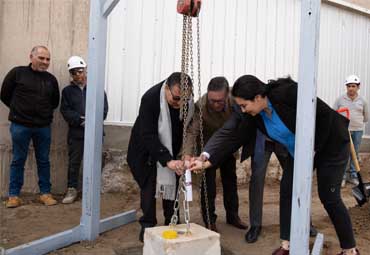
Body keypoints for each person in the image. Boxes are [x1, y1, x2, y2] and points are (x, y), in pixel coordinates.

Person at [190, 75, 360, 255]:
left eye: (243, 105)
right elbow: (231, 133)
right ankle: (287, 245)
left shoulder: (287, 93)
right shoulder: (254, 114)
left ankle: (350, 249)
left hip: (329, 145)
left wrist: (313, 150)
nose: (242, 110)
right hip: (300, 151)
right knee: (286, 191)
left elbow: (324, 115)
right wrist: (206, 158)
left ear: (257, 98)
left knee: (329, 197)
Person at [127, 72, 193, 242]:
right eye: (176, 98)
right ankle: (147, 225)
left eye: (184, 100)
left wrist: (182, 154)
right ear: (166, 89)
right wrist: (166, 160)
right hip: (146, 148)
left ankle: (172, 221)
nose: (179, 104)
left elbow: (188, 129)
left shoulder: (187, 102)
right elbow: (148, 134)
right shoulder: (150, 98)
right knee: (149, 189)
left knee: (173, 185)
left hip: (173, 147)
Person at [183, 77, 247, 232]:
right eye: (212, 101)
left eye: (220, 101)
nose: (216, 104)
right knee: (208, 187)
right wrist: (187, 155)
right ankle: (210, 221)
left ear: (227, 96)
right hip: (206, 150)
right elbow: (192, 132)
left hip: (228, 148)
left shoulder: (236, 100)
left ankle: (233, 216)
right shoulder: (201, 105)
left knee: (230, 182)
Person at [0, 46, 60, 208]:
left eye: (47, 59)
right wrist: (18, 111)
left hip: (43, 127)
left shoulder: (51, 80)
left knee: (43, 160)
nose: (45, 62)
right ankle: (13, 196)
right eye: (41, 58)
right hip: (20, 126)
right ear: (31, 57)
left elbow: (55, 102)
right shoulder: (17, 73)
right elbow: (4, 94)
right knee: (18, 159)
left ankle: (45, 194)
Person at [248, 130, 317, 243]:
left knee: (297, 178)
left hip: (284, 140)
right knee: (256, 179)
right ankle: (255, 225)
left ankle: (305, 222)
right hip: (262, 140)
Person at [60, 56, 109, 204]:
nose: (77, 75)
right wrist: (80, 120)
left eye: (80, 71)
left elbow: (104, 109)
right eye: (74, 72)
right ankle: (72, 189)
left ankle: (92, 192)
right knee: (74, 162)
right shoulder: (67, 91)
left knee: (94, 161)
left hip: (94, 133)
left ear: (85, 71)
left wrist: (92, 121)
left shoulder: (97, 89)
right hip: (77, 134)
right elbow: (65, 110)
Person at [333, 75, 368, 186]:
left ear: (358, 87)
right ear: (346, 87)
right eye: (349, 86)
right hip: (344, 131)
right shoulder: (340, 99)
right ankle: (342, 177)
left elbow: (366, 117)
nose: (351, 88)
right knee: (343, 153)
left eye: (353, 86)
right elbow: (334, 113)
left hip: (357, 130)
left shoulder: (362, 101)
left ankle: (353, 176)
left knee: (355, 153)